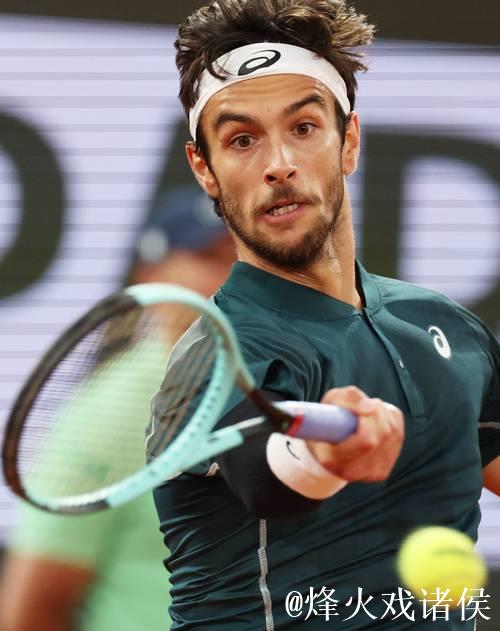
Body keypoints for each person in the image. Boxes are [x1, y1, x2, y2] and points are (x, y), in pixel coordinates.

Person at [149, 1, 500, 629]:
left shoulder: (448, 328)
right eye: (242, 140)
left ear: (350, 141)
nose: (278, 164)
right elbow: (266, 478)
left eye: (305, 127)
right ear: (204, 169)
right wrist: (326, 458)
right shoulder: (220, 354)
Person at [0, 184, 235, 631]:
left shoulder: (277, 383)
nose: (233, 278)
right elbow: (28, 611)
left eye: (245, 260)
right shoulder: (113, 408)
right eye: (210, 258)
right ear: (150, 275)